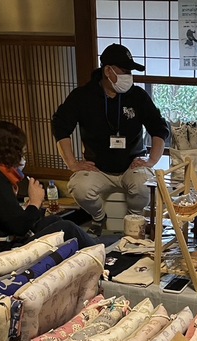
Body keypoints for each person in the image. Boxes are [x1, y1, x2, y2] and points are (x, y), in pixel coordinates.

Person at [51, 44, 170, 236]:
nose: (129, 76)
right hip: (97, 168)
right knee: (78, 187)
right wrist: (72, 163)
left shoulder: (137, 96)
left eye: (130, 72)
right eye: (124, 71)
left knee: (144, 185)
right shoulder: (83, 96)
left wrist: (152, 161)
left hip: (132, 165)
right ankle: (99, 217)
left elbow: (159, 128)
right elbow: (60, 126)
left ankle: (133, 220)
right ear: (108, 71)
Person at [0, 120, 95, 258]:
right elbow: (20, 227)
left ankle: (94, 251)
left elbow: (6, 217)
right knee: (66, 228)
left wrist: (32, 207)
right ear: (8, 152)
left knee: (53, 221)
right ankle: (100, 255)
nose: (22, 158)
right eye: (21, 153)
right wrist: (35, 201)